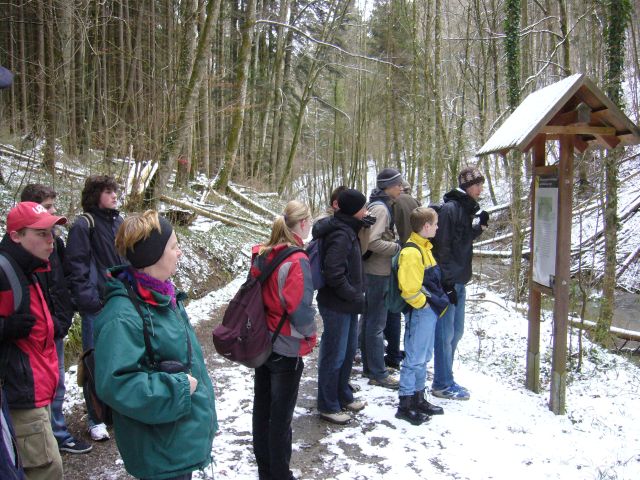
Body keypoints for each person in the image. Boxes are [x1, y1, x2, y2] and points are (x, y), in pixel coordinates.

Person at [93, 210, 217, 480]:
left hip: (176, 440)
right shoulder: (123, 316)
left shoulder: (162, 296)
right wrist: (178, 389)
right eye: (174, 247)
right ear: (152, 255)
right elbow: (117, 383)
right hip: (160, 450)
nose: (179, 253)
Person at [20, 184, 92, 454]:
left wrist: (65, 312)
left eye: (53, 205)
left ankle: (58, 433)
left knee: (57, 383)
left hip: (56, 327)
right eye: (47, 207)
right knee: (37, 386)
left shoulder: (57, 244)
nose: (53, 211)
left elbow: (66, 278)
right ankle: (40, 441)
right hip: (32, 334)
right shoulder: (19, 253)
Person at [250, 200, 317, 480]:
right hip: (285, 345)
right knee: (280, 417)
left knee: (262, 409)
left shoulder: (264, 254)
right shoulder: (297, 260)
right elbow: (299, 309)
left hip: (262, 341)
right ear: (302, 223)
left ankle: (265, 471)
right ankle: (279, 474)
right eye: (309, 220)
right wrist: (311, 333)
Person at [0, 202, 66, 479]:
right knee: (46, 469)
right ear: (16, 236)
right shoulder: (4, 272)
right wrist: (4, 328)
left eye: (51, 232)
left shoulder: (30, 267)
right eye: (41, 233)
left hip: (37, 391)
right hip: (21, 396)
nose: (50, 240)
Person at [64, 175, 126, 440]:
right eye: (108, 191)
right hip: (96, 305)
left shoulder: (119, 222)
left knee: (120, 357)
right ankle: (95, 417)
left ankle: (116, 411)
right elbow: (76, 267)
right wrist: (90, 300)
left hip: (120, 301)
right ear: (95, 195)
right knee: (94, 362)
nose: (114, 195)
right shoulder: (83, 225)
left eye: (115, 191)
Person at [431, 166, 488, 400]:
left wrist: (479, 228)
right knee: (445, 334)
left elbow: (461, 239)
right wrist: (445, 283)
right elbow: (441, 247)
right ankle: (441, 383)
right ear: (467, 186)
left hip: (460, 280)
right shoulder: (450, 209)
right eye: (478, 184)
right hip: (449, 282)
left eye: (481, 184)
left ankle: (447, 377)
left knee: (456, 332)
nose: (481, 189)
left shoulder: (465, 209)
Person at [313, 189, 368, 425]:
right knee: (334, 355)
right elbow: (333, 273)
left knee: (347, 352)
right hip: (336, 303)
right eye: (363, 207)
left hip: (347, 303)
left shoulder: (349, 228)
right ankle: (328, 404)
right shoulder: (341, 233)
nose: (366, 211)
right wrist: (353, 294)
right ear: (353, 210)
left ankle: (343, 395)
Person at [396, 207, 447, 425]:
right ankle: (405, 403)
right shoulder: (412, 252)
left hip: (429, 311)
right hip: (421, 312)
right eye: (435, 224)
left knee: (424, 356)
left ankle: (418, 398)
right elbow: (409, 290)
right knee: (414, 358)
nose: (437, 227)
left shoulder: (425, 247)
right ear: (426, 226)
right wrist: (425, 305)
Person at [360, 167, 404, 389]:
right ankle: (378, 373)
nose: (401, 187)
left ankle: (370, 367)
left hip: (373, 271)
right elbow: (372, 242)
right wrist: (397, 247)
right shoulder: (381, 209)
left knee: (369, 321)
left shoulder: (377, 205)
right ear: (388, 187)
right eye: (398, 184)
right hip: (377, 272)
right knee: (376, 324)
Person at [384, 180, 421, 370]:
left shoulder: (396, 203)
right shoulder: (415, 203)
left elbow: (394, 230)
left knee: (392, 307)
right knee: (403, 309)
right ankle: (402, 351)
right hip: (413, 254)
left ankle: (393, 353)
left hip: (399, 255)